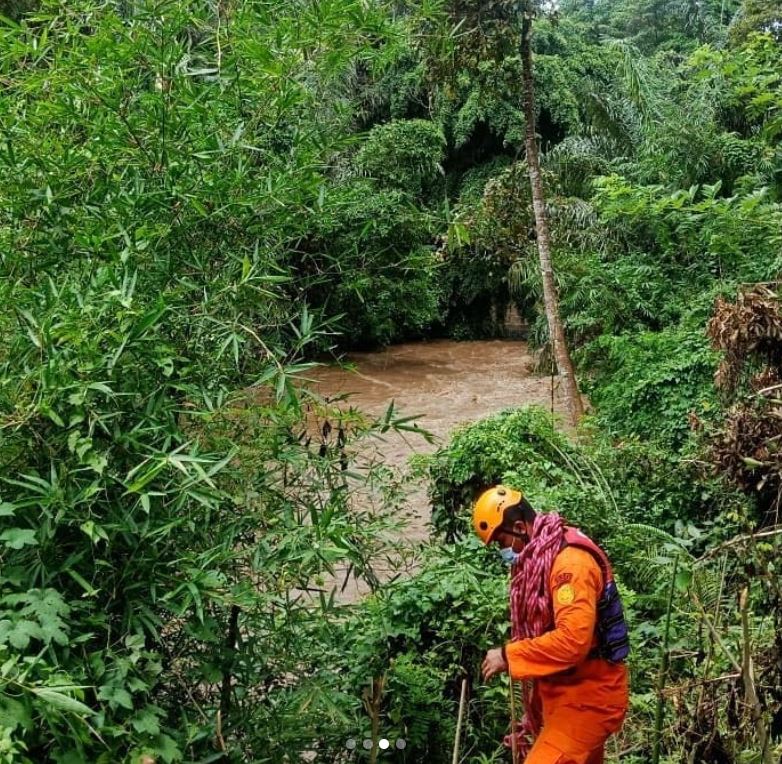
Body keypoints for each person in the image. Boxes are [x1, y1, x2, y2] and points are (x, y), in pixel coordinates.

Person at [473, 485, 629, 764]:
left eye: (501, 542)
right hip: (565, 695)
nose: (503, 552)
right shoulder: (549, 552)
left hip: (589, 699)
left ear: (520, 527)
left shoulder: (571, 565)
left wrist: (509, 656)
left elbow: (572, 641)